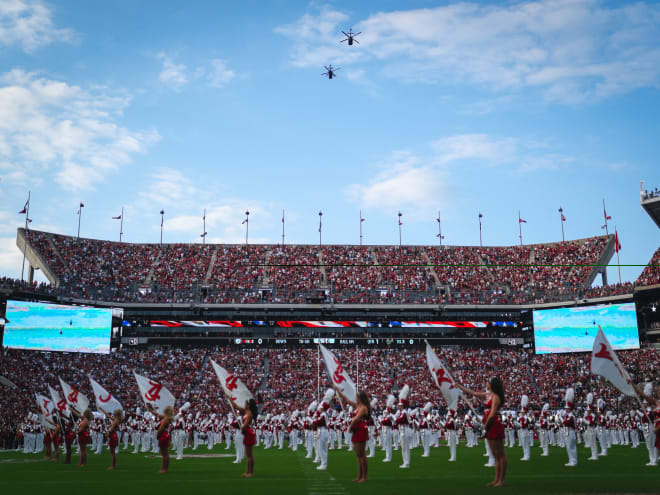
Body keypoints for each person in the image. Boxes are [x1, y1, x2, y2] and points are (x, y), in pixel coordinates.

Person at [456, 377, 507, 488]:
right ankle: (496, 479)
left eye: (488, 382)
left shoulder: (495, 397)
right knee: (495, 454)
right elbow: (473, 393)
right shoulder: (487, 395)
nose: (486, 383)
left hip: (493, 425)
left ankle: (501, 480)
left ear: (492, 385)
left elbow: (492, 414)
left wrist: (486, 427)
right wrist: (459, 386)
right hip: (489, 425)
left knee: (500, 454)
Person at [336, 388, 372, 483]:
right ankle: (359, 476)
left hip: (361, 429)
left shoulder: (363, 407)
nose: (355, 398)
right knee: (358, 455)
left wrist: (350, 427)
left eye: (357, 397)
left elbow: (356, 419)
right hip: (357, 430)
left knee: (362, 454)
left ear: (360, 398)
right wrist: (339, 391)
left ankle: (364, 477)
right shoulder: (358, 405)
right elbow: (347, 401)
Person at [628, 379, 659, 466]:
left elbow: (648, 417)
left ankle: (654, 460)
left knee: (651, 443)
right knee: (649, 443)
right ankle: (652, 459)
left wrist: (639, 412)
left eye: (644, 403)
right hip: (646, 426)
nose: (643, 405)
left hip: (650, 426)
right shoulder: (648, 409)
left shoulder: (650, 409)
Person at [231, 398, 258, 478]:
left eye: (246, 403)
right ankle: (247, 471)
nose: (244, 404)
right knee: (248, 455)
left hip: (248, 433)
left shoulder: (249, 414)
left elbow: (244, 426)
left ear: (248, 405)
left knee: (249, 455)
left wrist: (239, 425)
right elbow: (236, 406)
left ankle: (250, 472)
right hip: (247, 433)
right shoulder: (246, 411)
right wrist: (230, 398)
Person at [150, 405, 173, 474]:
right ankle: (165, 468)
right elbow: (157, 415)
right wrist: (150, 410)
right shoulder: (167, 417)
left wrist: (157, 435)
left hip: (163, 435)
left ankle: (164, 469)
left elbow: (160, 429)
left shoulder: (166, 418)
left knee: (164, 454)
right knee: (165, 453)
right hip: (165, 435)